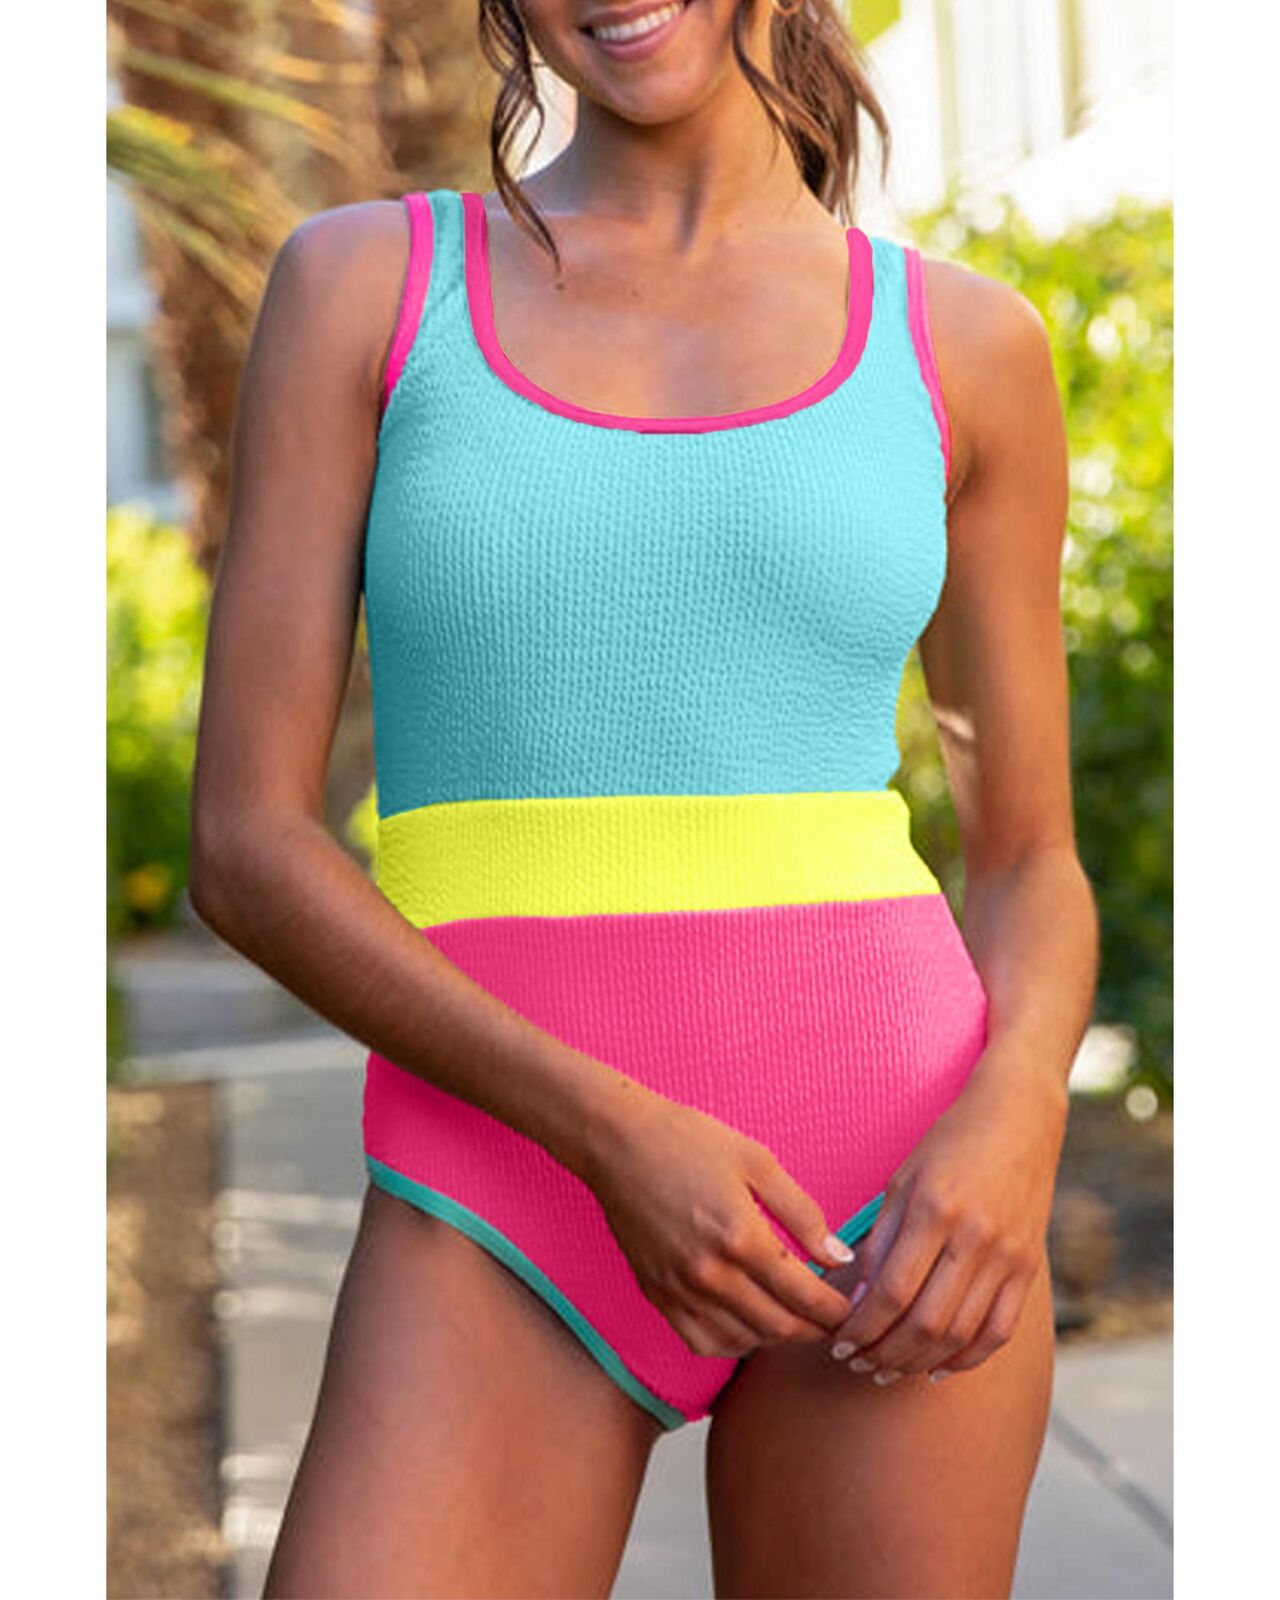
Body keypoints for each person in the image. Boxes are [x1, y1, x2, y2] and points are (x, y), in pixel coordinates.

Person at [189, 1, 1099, 1594]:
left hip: (894, 1202)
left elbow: (1029, 857)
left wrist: (1017, 1124)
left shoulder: (965, 345)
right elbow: (246, 847)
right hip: (503, 1185)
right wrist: (609, 1134)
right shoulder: (369, 288)